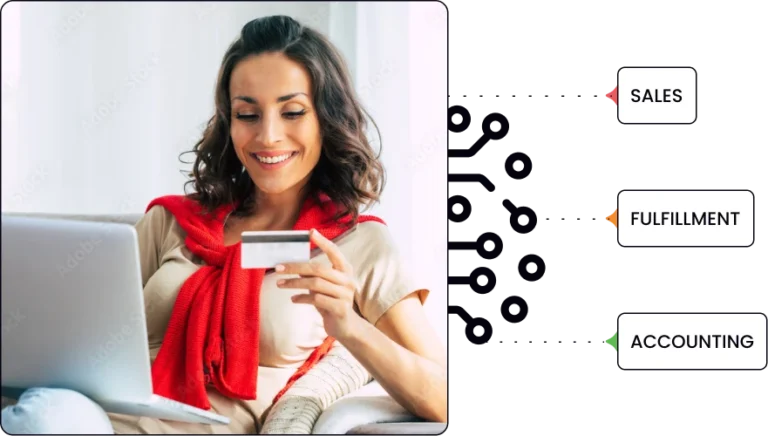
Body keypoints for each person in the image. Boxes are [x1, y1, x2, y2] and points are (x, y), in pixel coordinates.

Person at [2, 15, 447, 434]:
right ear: (228, 123)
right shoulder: (170, 223)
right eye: (247, 114)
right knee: (46, 411)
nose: (268, 136)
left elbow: (442, 398)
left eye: (292, 112)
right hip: (95, 421)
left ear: (325, 120)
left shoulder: (361, 244)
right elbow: (68, 341)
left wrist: (350, 327)